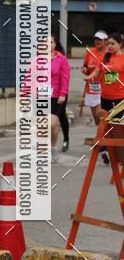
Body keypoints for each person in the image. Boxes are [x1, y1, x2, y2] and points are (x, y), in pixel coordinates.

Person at [90, 31, 124, 164]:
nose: (109, 46)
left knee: (116, 125)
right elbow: (97, 71)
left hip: (120, 98)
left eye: (112, 44)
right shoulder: (106, 57)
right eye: (108, 44)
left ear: (120, 44)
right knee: (105, 122)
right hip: (105, 97)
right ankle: (106, 149)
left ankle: (115, 153)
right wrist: (90, 76)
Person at [81, 30, 108, 127]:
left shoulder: (109, 53)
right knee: (97, 120)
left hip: (105, 88)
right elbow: (86, 67)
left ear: (106, 41)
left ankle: (104, 139)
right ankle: (102, 138)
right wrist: (84, 70)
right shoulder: (90, 51)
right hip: (92, 88)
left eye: (99, 39)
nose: (97, 41)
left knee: (100, 115)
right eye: (95, 39)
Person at [50, 34, 70, 164]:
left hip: (57, 96)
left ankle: (61, 142)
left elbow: (65, 78)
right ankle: (44, 150)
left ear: (55, 44)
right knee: (43, 124)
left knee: (54, 122)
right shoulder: (36, 60)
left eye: (50, 42)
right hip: (41, 96)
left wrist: (63, 94)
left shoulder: (61, 59)